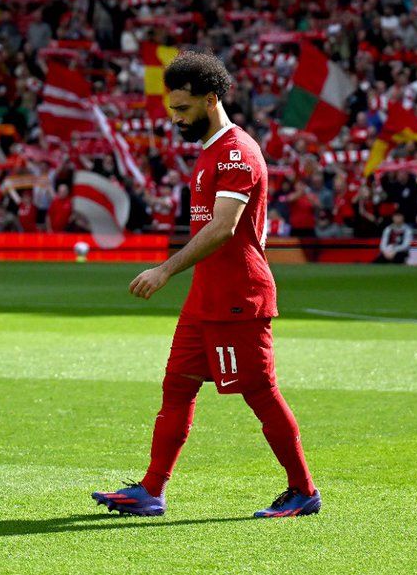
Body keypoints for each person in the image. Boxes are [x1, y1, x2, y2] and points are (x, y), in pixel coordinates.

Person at [91, 51, 320, 519]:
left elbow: (222, 228)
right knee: (176, 387)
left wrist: (165, 269)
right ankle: (151, 490)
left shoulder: (237, 152)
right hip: (207, 297)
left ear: (211, 98)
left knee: (261, 394)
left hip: (239, 297)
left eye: (183, 109)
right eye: (172, 108)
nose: (175, 119)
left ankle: (303, 490)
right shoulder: (211, 151)